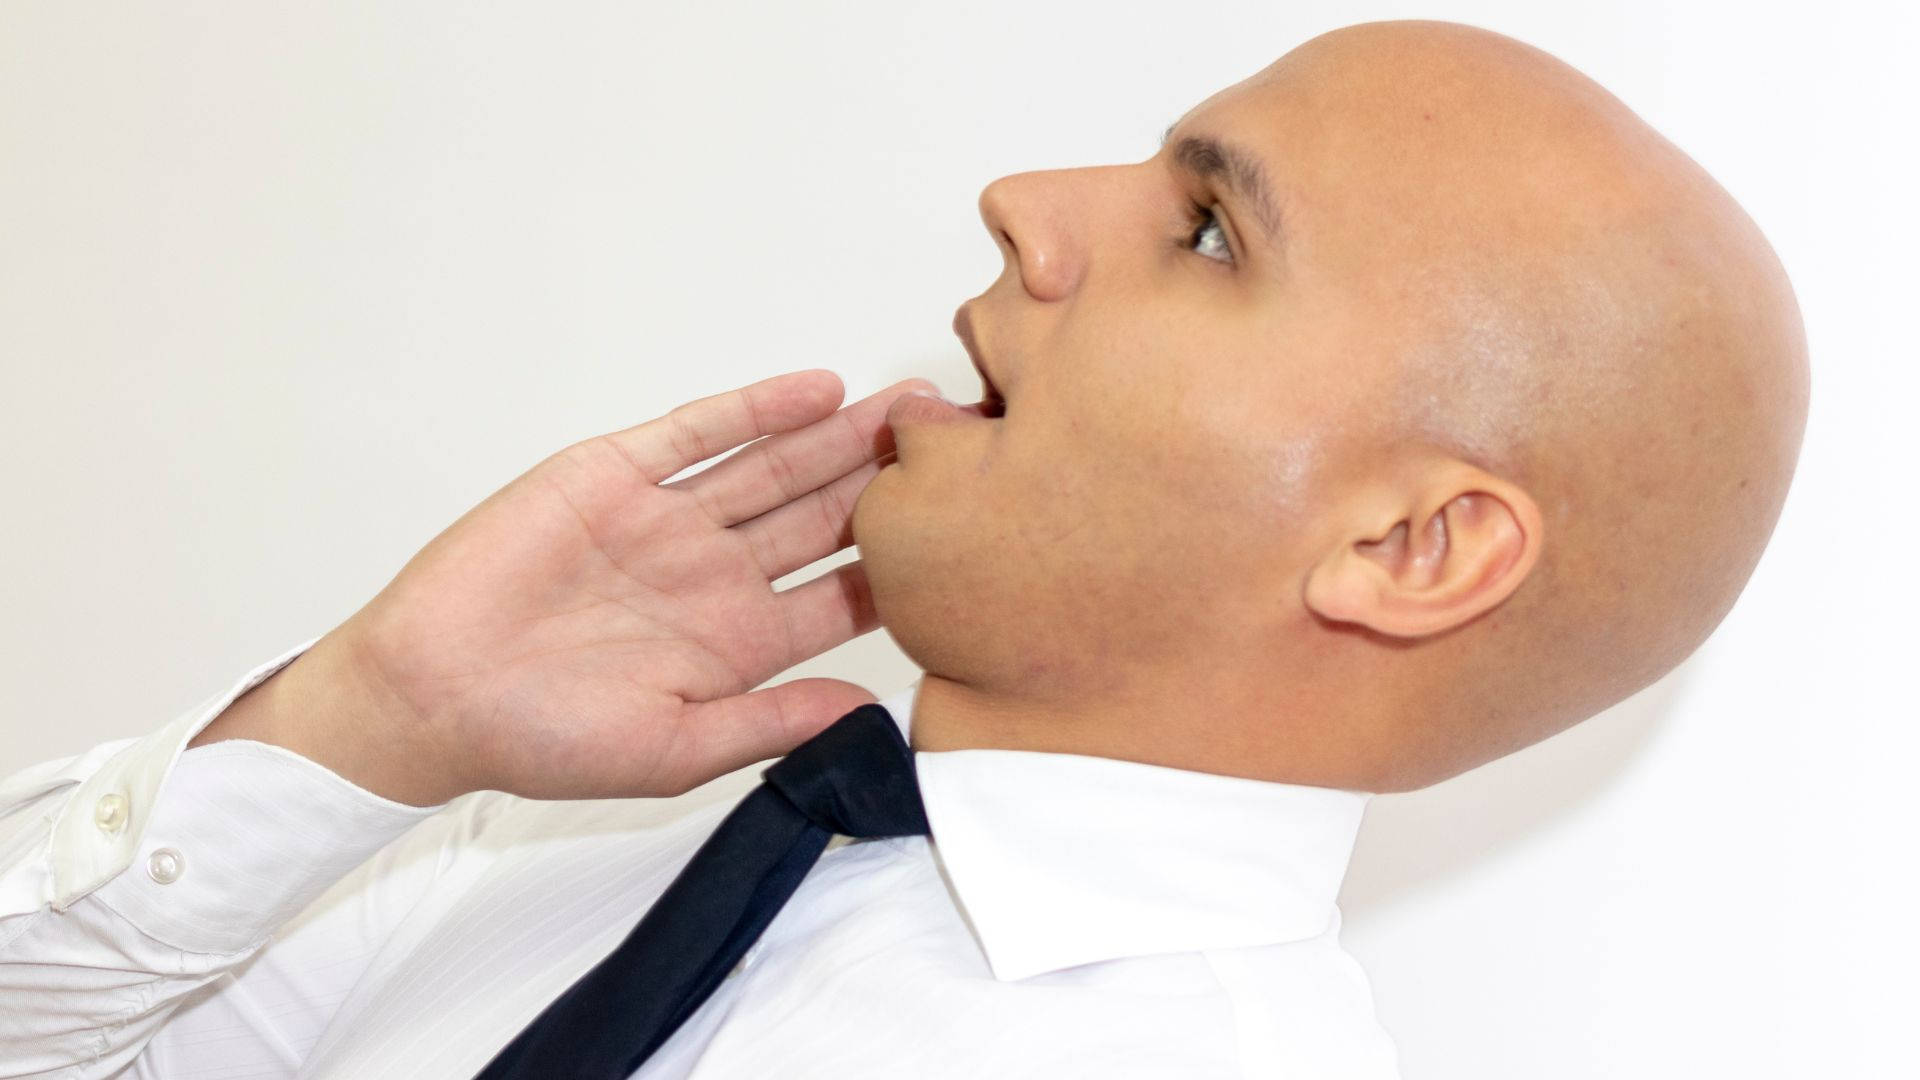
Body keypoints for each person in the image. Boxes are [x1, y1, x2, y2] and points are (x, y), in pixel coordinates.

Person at [0, 18, 1808, 1079]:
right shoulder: (577, 837)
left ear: (1415, 546)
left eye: (1206, 234)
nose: (1025, 201)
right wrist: (367, 722)